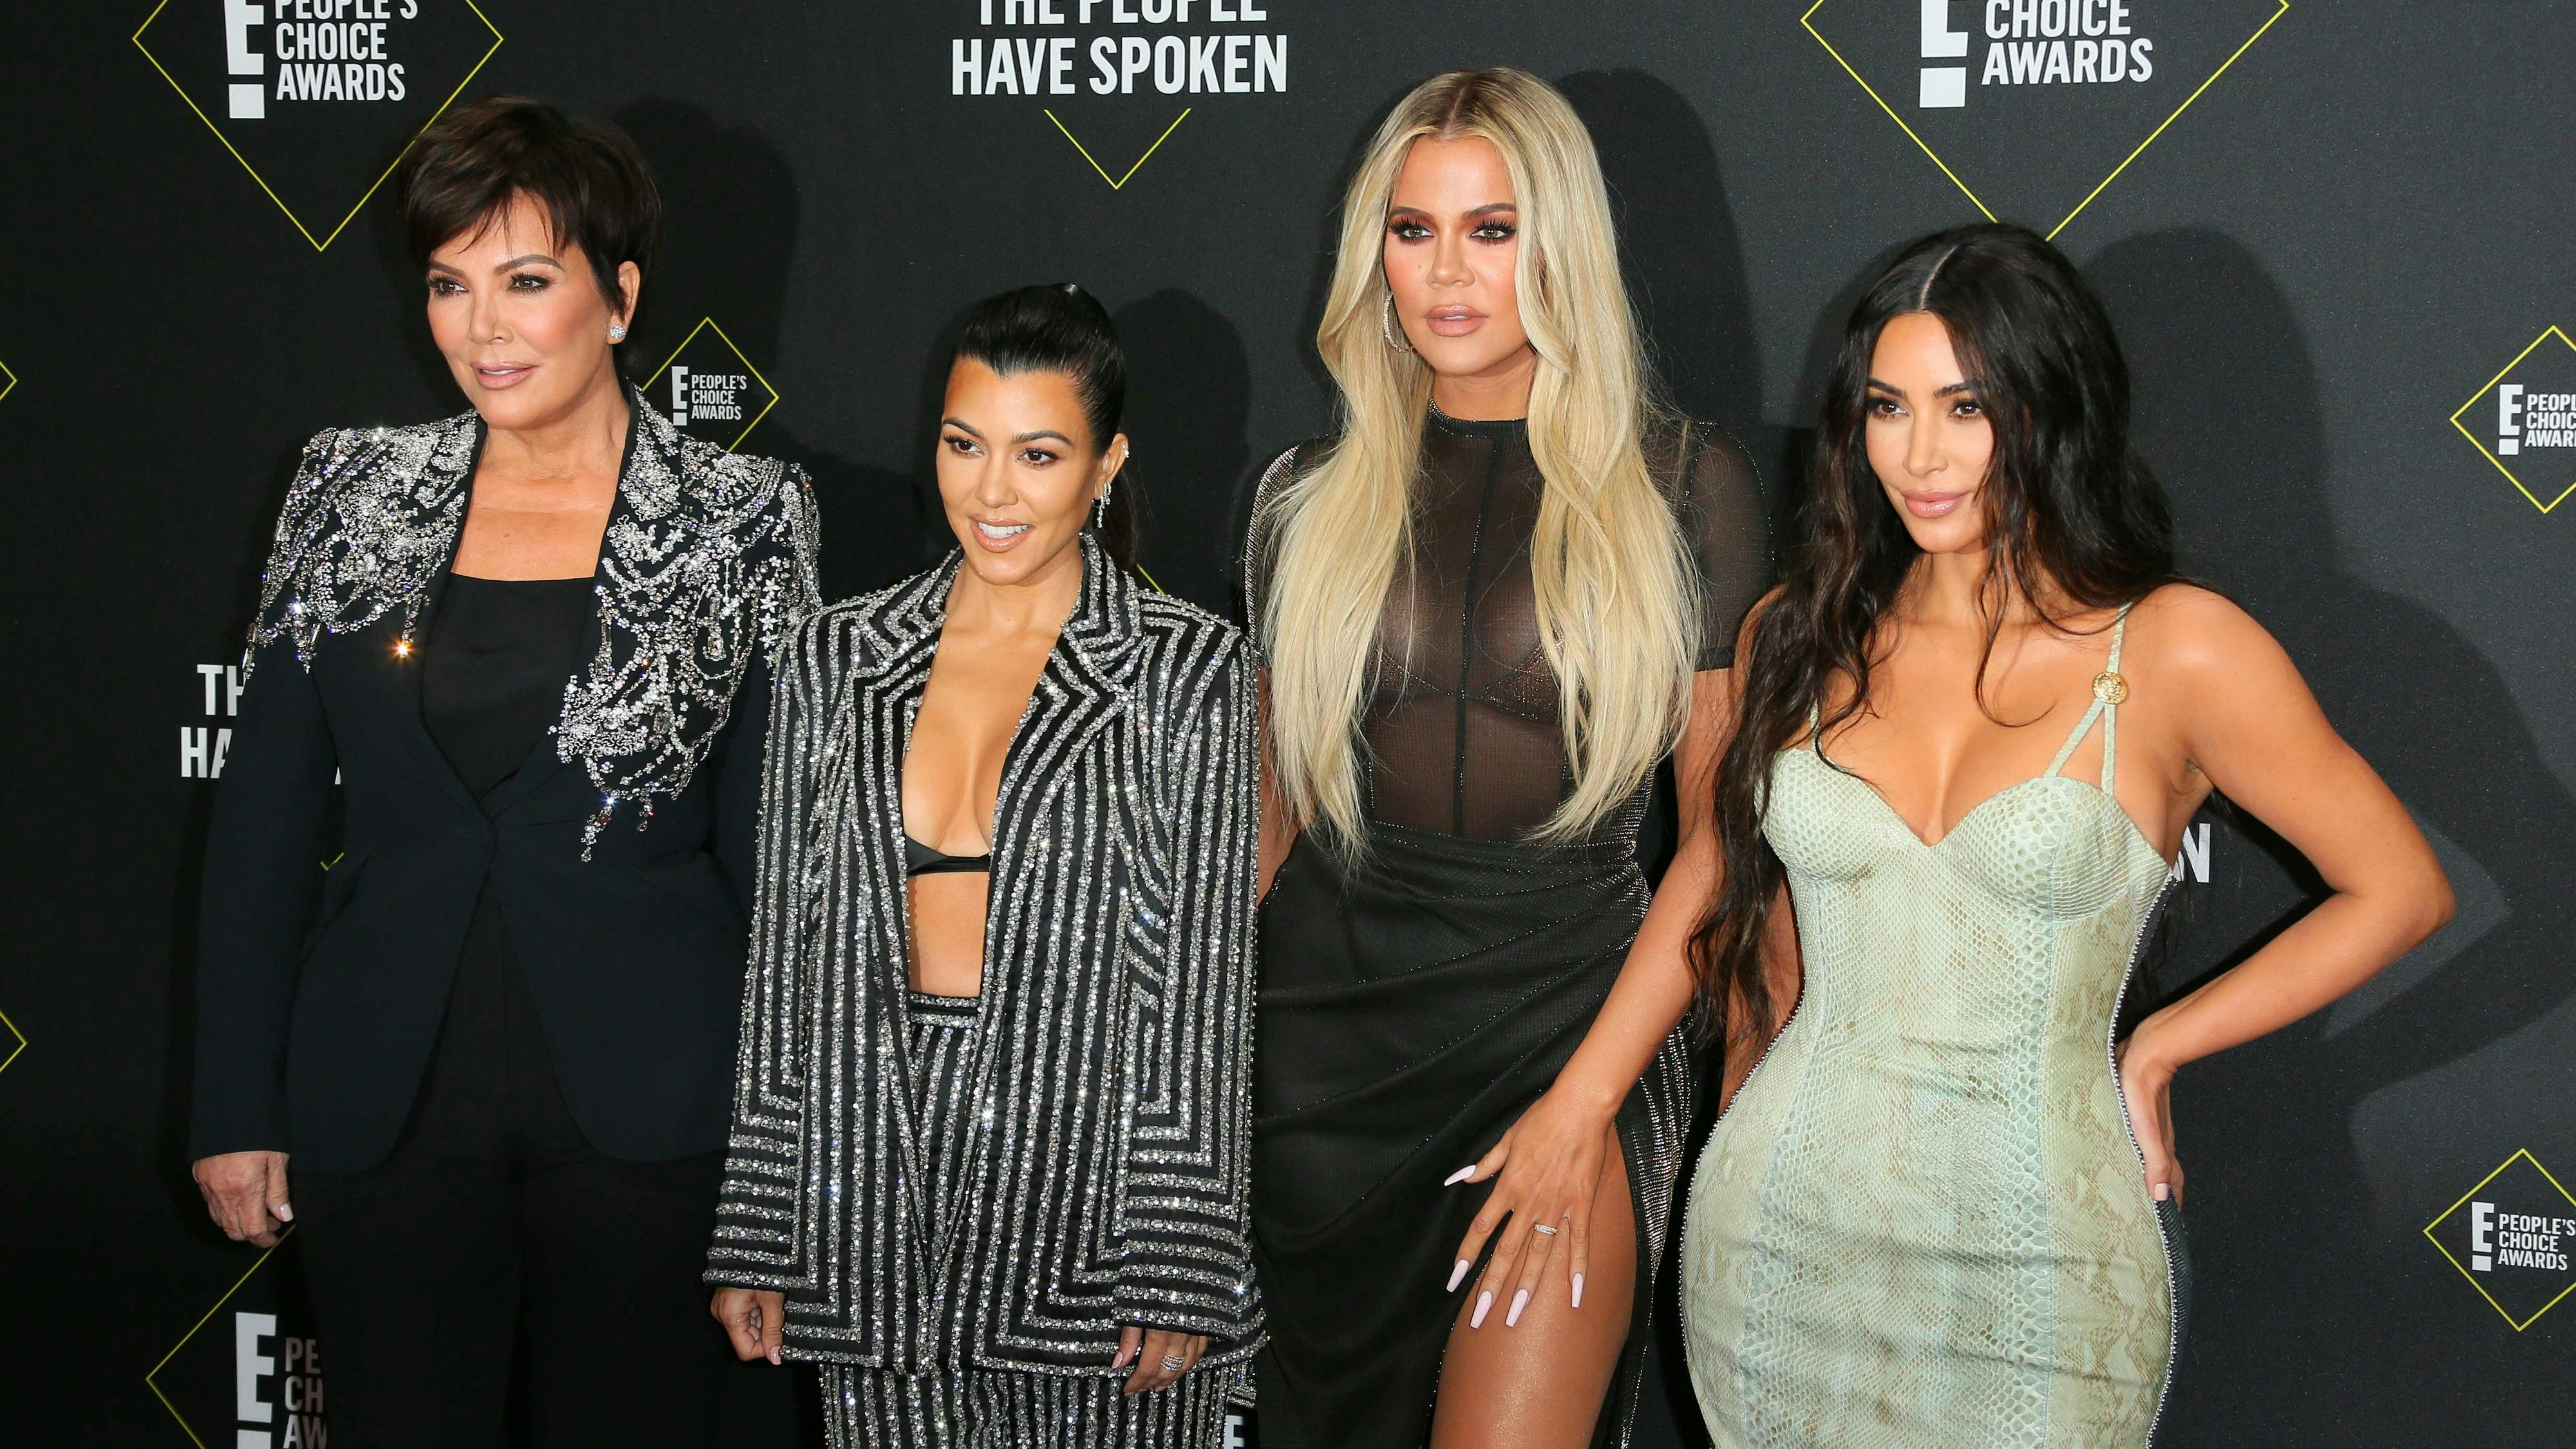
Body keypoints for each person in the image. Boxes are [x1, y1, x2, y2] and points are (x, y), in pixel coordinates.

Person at [1678, 223, 2455, 1446]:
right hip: (1783, 1230)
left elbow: (2401, 887)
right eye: (1888, 406)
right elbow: (1755, 969)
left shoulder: (2175, 647)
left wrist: (2156, 1047)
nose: (1920, 454)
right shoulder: (1801, 634)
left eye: (1967, 408)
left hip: (2048, 1252)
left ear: (2049, 411)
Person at [185, 97, 820, 1446]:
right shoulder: (346, 490)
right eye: (449, 285)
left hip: (657, 1113)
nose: (484, 327)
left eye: (526, 282)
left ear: (618, 295)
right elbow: (261, 829)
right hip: (383, 1108)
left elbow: (783, 865)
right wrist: (235, 1103)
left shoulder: (742, 517)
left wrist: (782, 1169)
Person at [1242, 69, 1770, 1449]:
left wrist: (1582, 1103)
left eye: (1491, 228)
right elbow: (1269, 825)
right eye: (1412, 232)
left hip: (1560, 1032)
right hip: (1319, 1064)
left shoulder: (1680, 490)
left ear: (1560, 246)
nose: (1446, 274)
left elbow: (1718, 842)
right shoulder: (1304, 498)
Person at [706, 284, 1263, 1446]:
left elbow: (1199, 980)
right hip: (871, 1190)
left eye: (1038, 454)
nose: (993, 491)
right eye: (965, 445)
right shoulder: (835, 654)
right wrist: (763, 1217)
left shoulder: (1189, 670)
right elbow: (788, 956)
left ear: (1107, 463)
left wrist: (1182, 1248)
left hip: (1097, 1207)